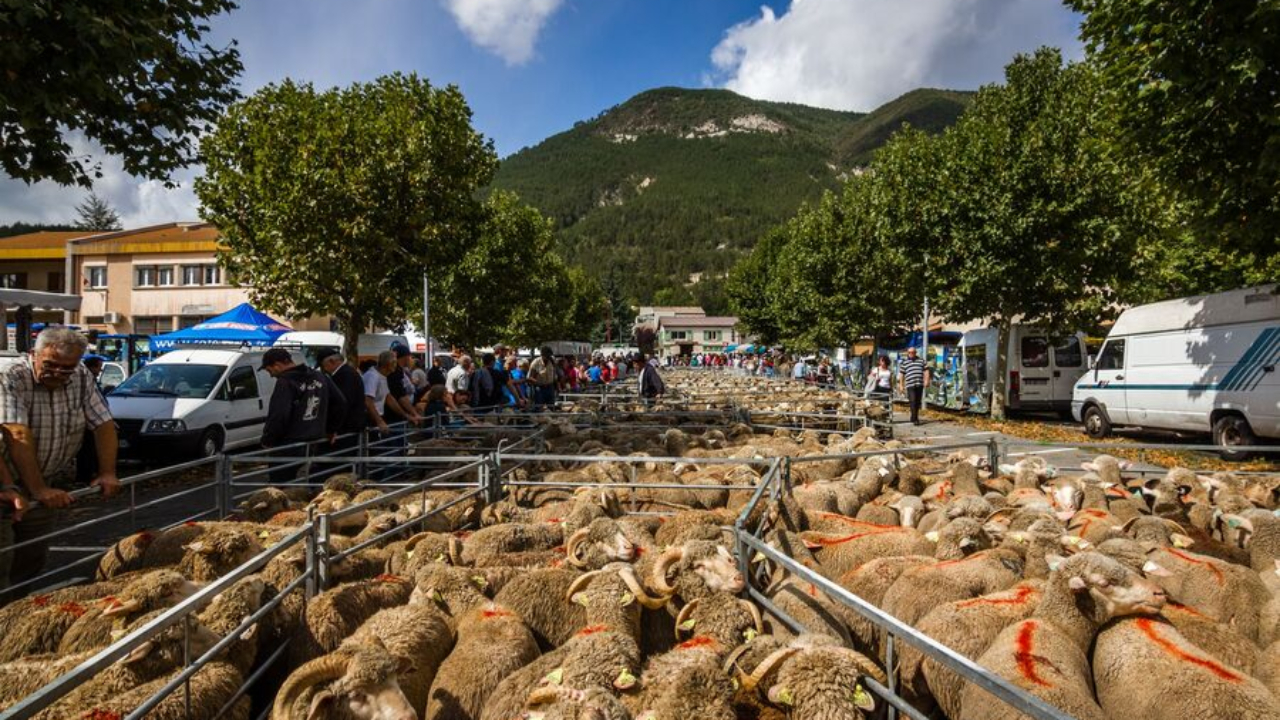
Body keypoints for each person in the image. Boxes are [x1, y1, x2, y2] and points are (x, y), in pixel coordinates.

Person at [0, 328, 120, 595]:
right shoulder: (12, 375)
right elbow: (16, 432)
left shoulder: (80, 376)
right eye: (50, 364)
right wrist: (39, 489)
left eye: (66, 368)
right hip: (6, 480)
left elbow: (104, 424)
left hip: (45, 478)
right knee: (2, 559)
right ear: (34, 354)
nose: (57, 373)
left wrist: (107, 472)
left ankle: (11, 617)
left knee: (31, 557)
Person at [261, 348, 345, 482]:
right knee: (310, 483)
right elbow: (340, 402)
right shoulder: (320, 376)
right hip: (315, 441)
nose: (271, 375)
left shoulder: (285, 382)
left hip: (289, 444)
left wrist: (268, 440)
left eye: (270, 370)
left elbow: (279, 414)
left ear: (277, 365)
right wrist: (331, 429)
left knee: (281, 487)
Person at [319, 349, 367, 450]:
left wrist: (332, 428)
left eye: (323, 366)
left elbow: (342, 403)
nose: (324, 370)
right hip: (350, 426)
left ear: (332, 361)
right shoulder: (348, 372)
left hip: (346, 428)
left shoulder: (344, 375)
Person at [361, 351, 395, 435]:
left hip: (376, 418)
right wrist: (379, 421)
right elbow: (368, 401)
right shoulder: (372, 376)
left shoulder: (382, 376)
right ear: (388, 364)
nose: (396, 365)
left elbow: (389, 397)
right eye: (394, 362)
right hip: (370, 419)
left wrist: (406, 415)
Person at [898, 346, 930, 425]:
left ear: (915, 353)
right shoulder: (904, 362)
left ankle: (913, 416)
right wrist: (901, 385)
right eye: (909, 352)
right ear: (907, 353)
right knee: (912, 401)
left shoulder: (922, 361)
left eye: (913, 352)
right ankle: (915, 419)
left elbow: (926, 371)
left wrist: (927, 380)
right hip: (910, 385)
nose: (911, 354)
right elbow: (901, 375)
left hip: (919, 384)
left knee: (917, 402)